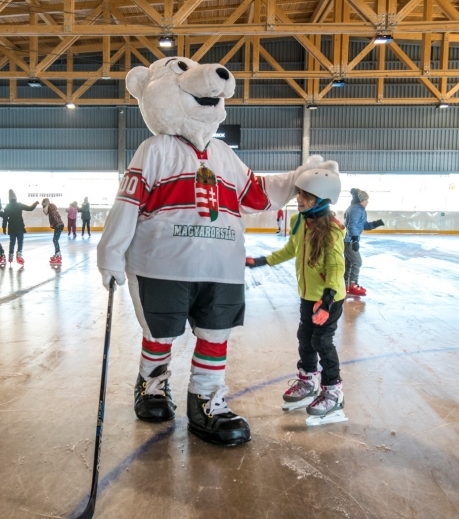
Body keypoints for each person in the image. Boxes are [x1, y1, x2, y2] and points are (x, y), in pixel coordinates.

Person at [97, 56, 337, 446]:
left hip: (221, 269)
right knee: (161, 333)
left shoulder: (225, 155)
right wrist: (110, 256)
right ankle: (152, 385)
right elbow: (127, 204)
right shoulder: (153, 149)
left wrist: (298, 177)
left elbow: (257, 195)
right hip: (161, 266)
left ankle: (206, 401)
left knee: (215, 335)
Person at [246, 163, 347, 426]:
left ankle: (333, 391)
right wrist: (261, 261)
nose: (298, 199)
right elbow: (291, 249)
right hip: (307, 294)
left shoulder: (332, 229)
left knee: (322, 342)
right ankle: (307, 381)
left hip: (328, 298)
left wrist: (326, 301)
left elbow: (336, 267)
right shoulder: (299, 221)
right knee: (305, 337)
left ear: (322, 200)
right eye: (299, 194)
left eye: (305, 196)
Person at [343, 188, 384, 296]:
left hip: (349, 240)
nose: (367, 202)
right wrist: (355, 239)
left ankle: (345, 285)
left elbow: (363, 225)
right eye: (366, 200)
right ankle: (352, 285)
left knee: (350, 262)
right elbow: (351, 225)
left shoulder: (359, 209)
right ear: (362, 200)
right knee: (357, 262)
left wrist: (376, 223)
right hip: (349, 240)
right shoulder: (356, 209)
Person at [1, 189, 38, 264]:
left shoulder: (7, 207)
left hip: (11, 227)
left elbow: (5, 218)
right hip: (20, 226)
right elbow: (30, 208)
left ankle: (10, 256)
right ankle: (19, 256)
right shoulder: (19, 205)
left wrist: (4, 228)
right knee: (20, 242)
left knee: (12, 242)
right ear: (15, 198)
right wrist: (35, 203)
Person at [42, 198, 64, 264]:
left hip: (58, 226)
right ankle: (57, 253)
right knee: (55, 240)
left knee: (55, 240)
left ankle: (58, 254)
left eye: (44, 206)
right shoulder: (52, 210)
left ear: (47, 206)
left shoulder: (51, 211)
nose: (43, 209)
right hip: (59, 225)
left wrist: (55, 225)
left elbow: (55, 218)